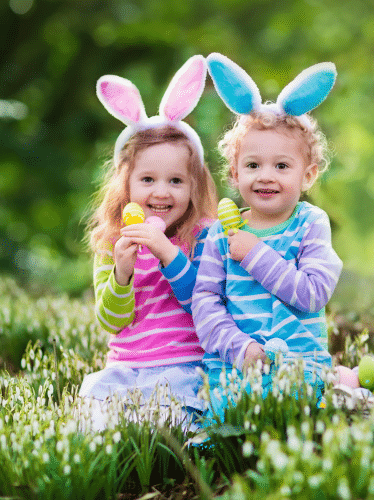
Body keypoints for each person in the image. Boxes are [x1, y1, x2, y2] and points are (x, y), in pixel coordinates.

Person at [192, 53, 343, 423]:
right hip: (236, 367)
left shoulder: (310, 223)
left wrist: (256, 254)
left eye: (282, 166)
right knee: (230, 429)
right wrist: (239, 349)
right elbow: (205, 302)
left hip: (300, 364)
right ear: (234, 171)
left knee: (298, 425)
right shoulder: (220, 233)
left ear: (307, 176)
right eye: (253, 165)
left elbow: (312, 294)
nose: (266, 176)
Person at [79, 55, 218, 431]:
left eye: (176, 181)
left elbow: (207, 306)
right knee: (96, 421)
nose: (161, 192)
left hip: (183, 365)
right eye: (147, 180)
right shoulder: (112, 242)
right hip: (125, 367)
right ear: (126, 184)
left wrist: (169, 254)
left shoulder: (204, 235)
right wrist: (122, 275)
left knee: (167, 422)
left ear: (194, 187)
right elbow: (112, 322)